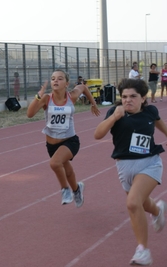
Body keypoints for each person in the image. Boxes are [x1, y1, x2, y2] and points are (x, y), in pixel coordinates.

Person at [94, 78, 167, 265]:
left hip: (150, 163)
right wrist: (114, 117)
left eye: (133, 96)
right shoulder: (115, 112)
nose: (128, 100)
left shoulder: (150, 112)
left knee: (133, 203)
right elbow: (98, 134)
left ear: (143, 98)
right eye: (124, 96)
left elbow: (164, 128)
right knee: (142, 204)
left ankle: (143, 251)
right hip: (124, 167)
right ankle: (158, 210)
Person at [27, 69, 100, 207]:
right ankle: (77, 190)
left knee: (55, 164)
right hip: (51, 145)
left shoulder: (71, 96)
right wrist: (38, 96)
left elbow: (83, 87)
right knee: (67, 170)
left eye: (60, 78)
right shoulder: (46, 99)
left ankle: (65, 189)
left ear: (67, 83)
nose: (55, 80)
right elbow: (29, 114)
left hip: (70, 140)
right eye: (53, 78)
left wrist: (93, 103)